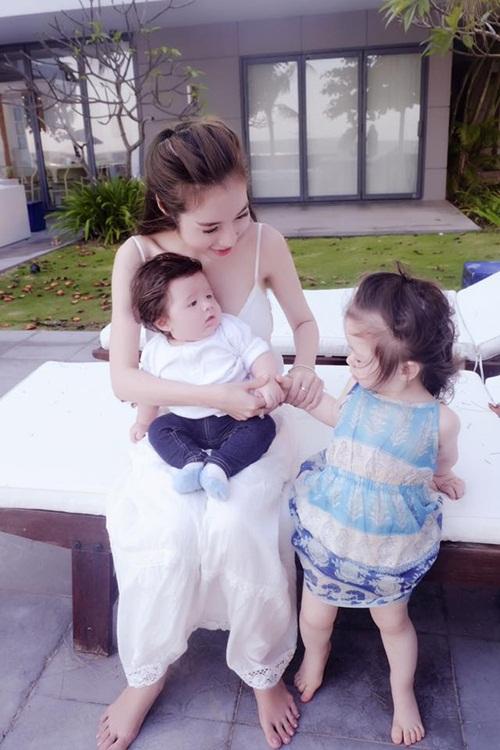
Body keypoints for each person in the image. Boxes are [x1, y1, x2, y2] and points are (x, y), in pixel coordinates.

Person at [97, 117, 323, 750]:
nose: (229, 238)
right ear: (169, 206)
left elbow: (304, 325)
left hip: (251, 425)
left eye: (241, 215)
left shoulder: (265, 243)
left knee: (240, 523)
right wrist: (214, 396)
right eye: (209, 228)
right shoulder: (138, 256)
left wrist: (303, 370)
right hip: (175, 423)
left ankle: (262, 669)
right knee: (169, 528)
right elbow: (124, 377)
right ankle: (147, 673)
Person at [288, 269, 465, 747]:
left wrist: (441, 477)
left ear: (407, 368)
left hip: (388, 544)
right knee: (315, 614)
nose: (349, 362)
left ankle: (402, 691)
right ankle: (315, 656)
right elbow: (336, 417)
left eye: (359, 356)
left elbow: (440, 460)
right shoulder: (358, 391)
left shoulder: (439, 421)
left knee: (393, 622)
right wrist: (305, 401)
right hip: (334, 527)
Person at [129, 252, 281, 500]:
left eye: (209, 296)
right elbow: (150, 393)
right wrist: (143, 422)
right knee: (159, 430)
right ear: (164, 322)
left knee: (263, 428)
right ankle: (192, 461)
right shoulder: (155, 352)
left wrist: (268, 380)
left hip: (234, 418)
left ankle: (220, 466)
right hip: (186, 422)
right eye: (193, 303)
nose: (208, 305)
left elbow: (258, 353)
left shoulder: (228, 329)